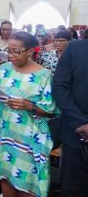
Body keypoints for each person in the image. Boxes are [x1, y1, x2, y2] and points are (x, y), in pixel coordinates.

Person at [0, 31, 58, 197]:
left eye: (16, 51)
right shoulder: (3, 70)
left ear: (30, 51)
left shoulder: (44, 75)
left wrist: (29, 105)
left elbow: (51, 111)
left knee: (28, 181)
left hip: (29, 138)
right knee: (5, 175)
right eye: (9, 51)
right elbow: (0, 97)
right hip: (5, 132)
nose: (11, 55)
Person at [52, 38, 88, 196]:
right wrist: (82, 123)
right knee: (74, 189)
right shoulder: (76, 48)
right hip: (77, 134)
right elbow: (59, 87)